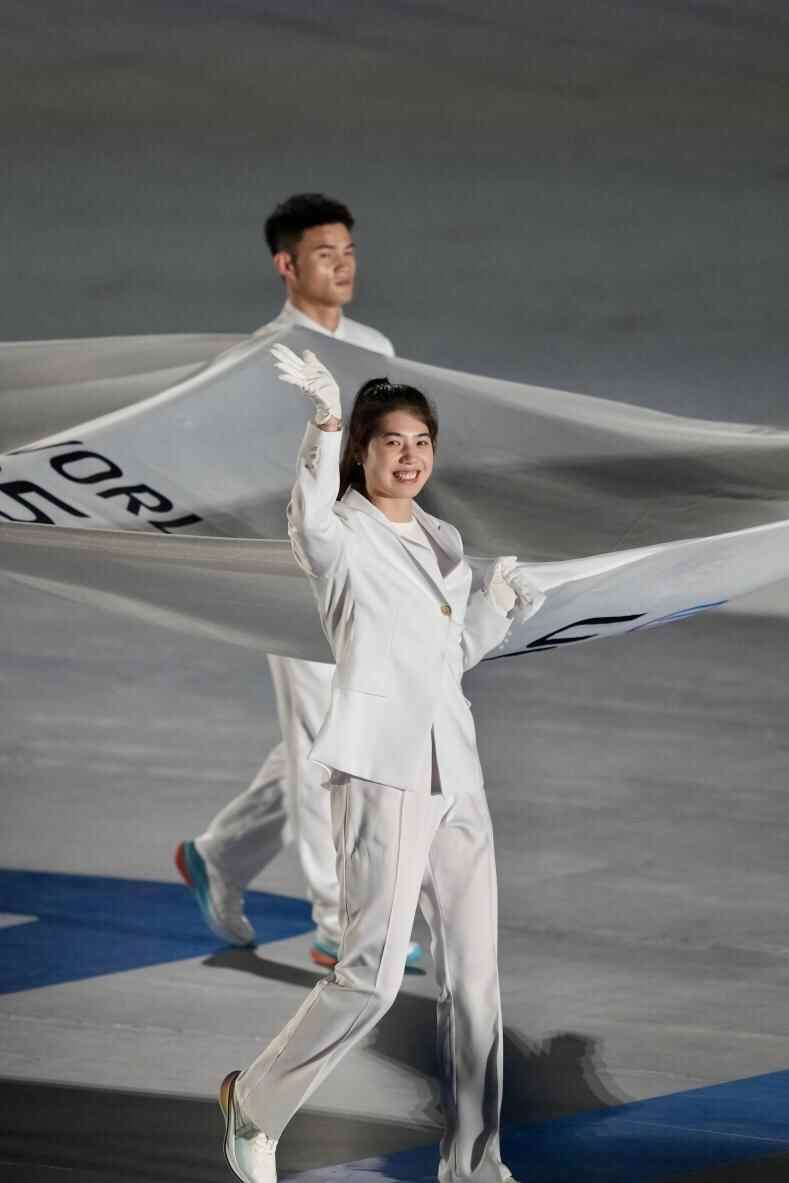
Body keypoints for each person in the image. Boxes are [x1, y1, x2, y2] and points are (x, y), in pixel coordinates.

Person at [218, 344, 540, 1183]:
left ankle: (474, 1164)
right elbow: (308, 519)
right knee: (370, 976)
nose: (409, 455)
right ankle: (254, 1100)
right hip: (380, 770)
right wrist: (324, 420)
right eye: (391, 440)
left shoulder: (442, 538)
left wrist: (494, 609)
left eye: (421, 441)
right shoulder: (340, 535)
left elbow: (445, 660)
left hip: (455, 770)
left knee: (476, 981)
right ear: (361, 452)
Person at [175, 193, 420, 968]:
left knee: (326, 737)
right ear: (286, 265)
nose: (342, 265)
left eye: (348, 251)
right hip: (294, 569)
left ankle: (219, 853)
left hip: (367, 566)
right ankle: (339, 921)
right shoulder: (262, 360)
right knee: (327, 741)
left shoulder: (374, 346)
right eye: (324, 254)